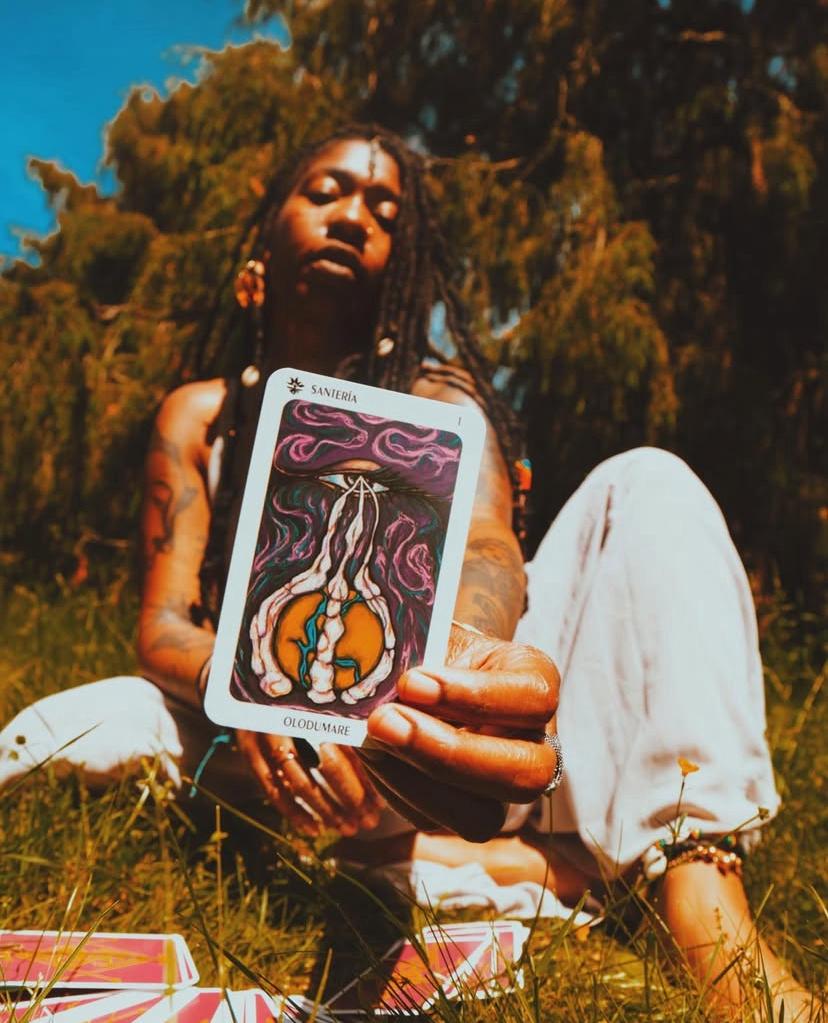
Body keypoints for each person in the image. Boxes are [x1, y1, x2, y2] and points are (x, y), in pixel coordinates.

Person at [0, 126, 815, 1019]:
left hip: (434, 735)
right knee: (84, 724)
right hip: (251, 748)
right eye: (326, 192)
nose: (354, 216)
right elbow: (161, 624)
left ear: (405, 269)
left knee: (648, 480)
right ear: (261, 244)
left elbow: (488, 544)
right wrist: (253, 692)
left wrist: (450, 678)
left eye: (385, 212)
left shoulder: (438, 399)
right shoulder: (198, 416)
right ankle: (528, 864)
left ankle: (699, 890)